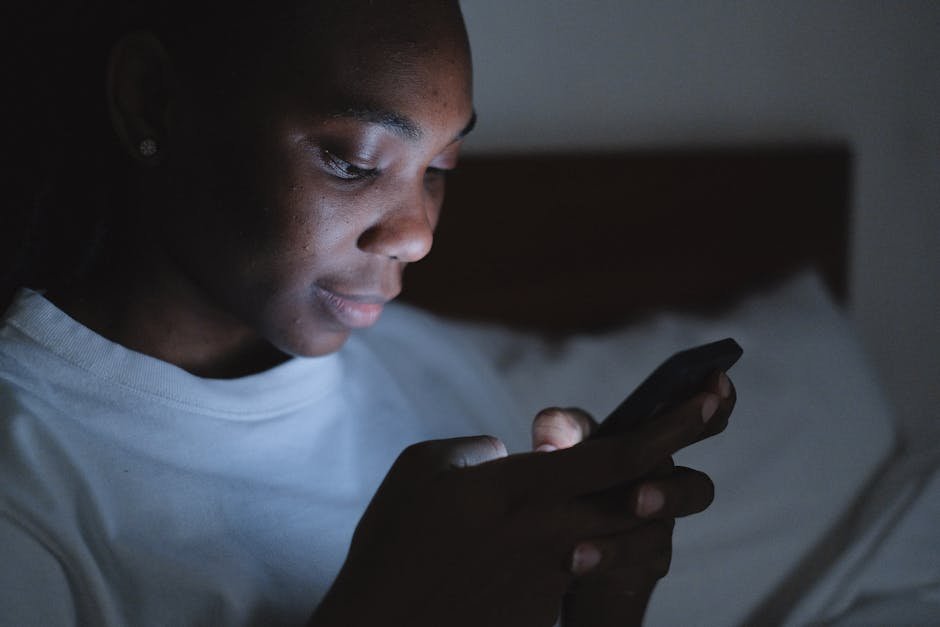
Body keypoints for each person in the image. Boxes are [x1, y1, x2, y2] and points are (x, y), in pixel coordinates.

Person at [0, 1, 736, 625]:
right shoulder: (27, 489)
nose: (416, 235)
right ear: (151, 100)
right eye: (353, 161)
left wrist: (601, 600)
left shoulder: (430, 370)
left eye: (441, 168)